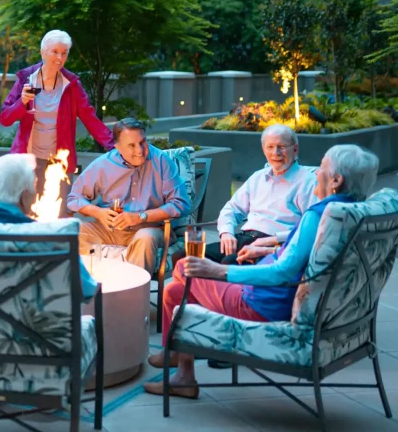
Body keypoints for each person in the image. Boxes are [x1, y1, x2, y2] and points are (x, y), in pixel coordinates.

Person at [144, 144, 380, 399]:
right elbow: (301, 256)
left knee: (182, 269)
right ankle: (182, 369)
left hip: (263, 303)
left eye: (321, 168)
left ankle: (179, 358)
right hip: (279, 295)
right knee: (175, 291)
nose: (315, 174)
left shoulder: (319, 215)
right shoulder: (349, 214)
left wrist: (219, 271)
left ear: (336, 180)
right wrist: (264, 250)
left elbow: (281, 273)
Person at [0, 153, 98, 297]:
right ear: (24, 195)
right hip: (31, 320)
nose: (36, 193)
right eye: (34, 186)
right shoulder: (53, 238)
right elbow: (87, 290)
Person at [0, 30, 115, 207]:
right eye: (55, 52)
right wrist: (22, 102)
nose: (60, 58)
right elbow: (5, 118)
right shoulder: (26, 79)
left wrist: (114, 146)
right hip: (28, 160)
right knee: (27, 213)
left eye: (64, 53)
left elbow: (89, 117)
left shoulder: (72, 84)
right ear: (43, 52)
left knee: (58, 214)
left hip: (59, 161)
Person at [66, 118, 191, 273]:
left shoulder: (162, 161)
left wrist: (140, 216)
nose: (140, 150)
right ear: (117, 147)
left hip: (150, 228)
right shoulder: (103, 165)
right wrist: (98, 212)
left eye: (143, 142)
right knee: (73, 233)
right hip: (110, 230)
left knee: (145, 238)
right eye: (131, 145)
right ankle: (96, 289)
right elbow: (74, 198)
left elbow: (181, 204)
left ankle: (134, 294)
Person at [207, 124, 318, 264]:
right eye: (270, 147)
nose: (275, 153)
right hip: (245, 238)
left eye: (281, 147)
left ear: (295, 149)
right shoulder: (258, 177)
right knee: (186, 257)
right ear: (263, 150)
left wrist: (273, 239)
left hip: (278, 245)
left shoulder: (308, 182)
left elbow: (311, 228)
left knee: (229, 263)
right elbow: (232, 209)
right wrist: (226, 233)